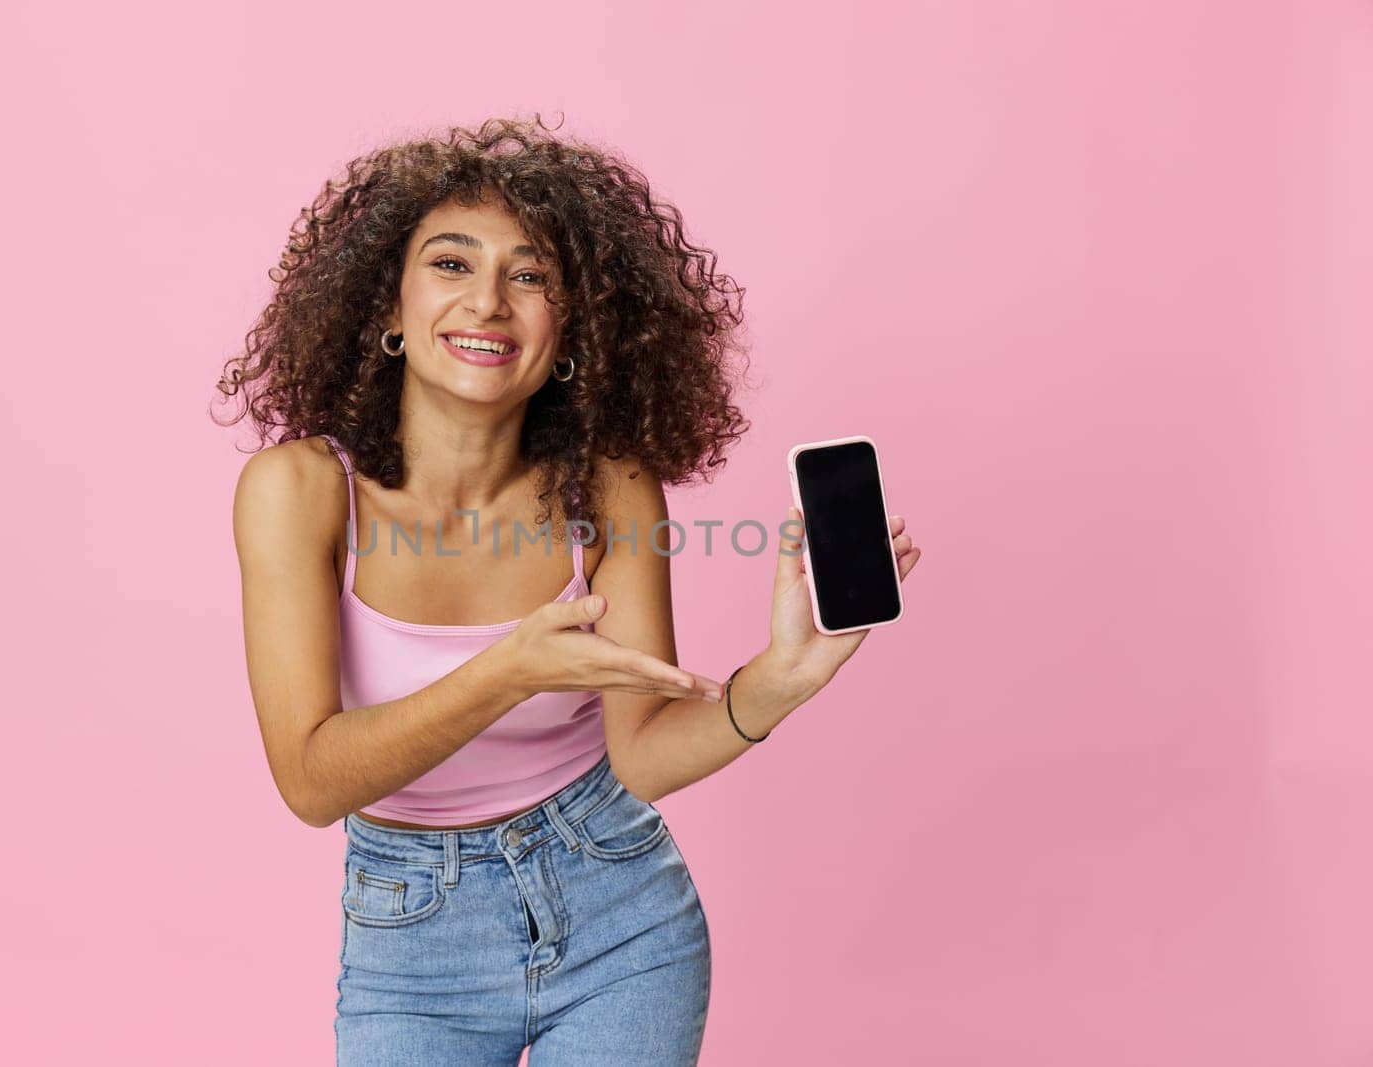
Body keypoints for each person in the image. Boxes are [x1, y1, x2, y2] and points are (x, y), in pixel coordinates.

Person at [219, 114, 922, 1065]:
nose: (490, 303)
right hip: (413, 945)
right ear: (387, 306)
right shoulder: (299, 491)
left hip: (620, 915)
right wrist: (507, 672)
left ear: (571, 328)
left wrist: (785, 675)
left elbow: (637, 758)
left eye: (532, 275)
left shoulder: (611, 485)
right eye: (452, 264)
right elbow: (309, 779)